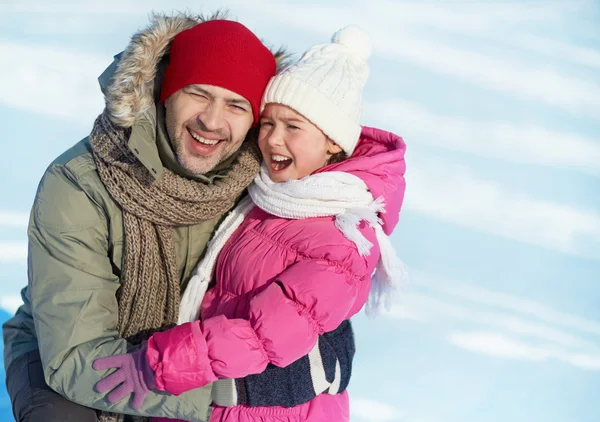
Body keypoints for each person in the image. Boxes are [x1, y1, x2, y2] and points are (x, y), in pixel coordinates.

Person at [2, 12, 356, 422]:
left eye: (236, 105)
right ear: (166, 92)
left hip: (188, 364)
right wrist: (231, 393)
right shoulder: (81, 184)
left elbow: (312, 289)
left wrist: (328, 350)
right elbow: (74, 358)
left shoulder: (265, 185)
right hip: (69, 362)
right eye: (198, 93)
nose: (211, 121)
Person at [93, 25, 407, 422]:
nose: (273, 139)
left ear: (332, 141)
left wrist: (156, 365)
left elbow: (264, 335)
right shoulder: (274, 196)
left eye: (293, 127)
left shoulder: (341, 237)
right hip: (213, 398)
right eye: (269, 123)